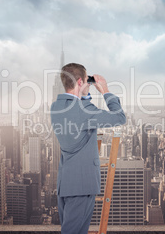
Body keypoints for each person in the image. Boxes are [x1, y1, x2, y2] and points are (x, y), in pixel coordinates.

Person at [50, 63, 126, 234]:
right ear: (79, 81)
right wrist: (105, 90)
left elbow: (80, 112)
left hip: (65, 185)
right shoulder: (84, 110)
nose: (89, 83)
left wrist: (84, 92)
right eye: (86, 81)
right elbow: (119, 117)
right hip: (82, 186)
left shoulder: (56, 107)